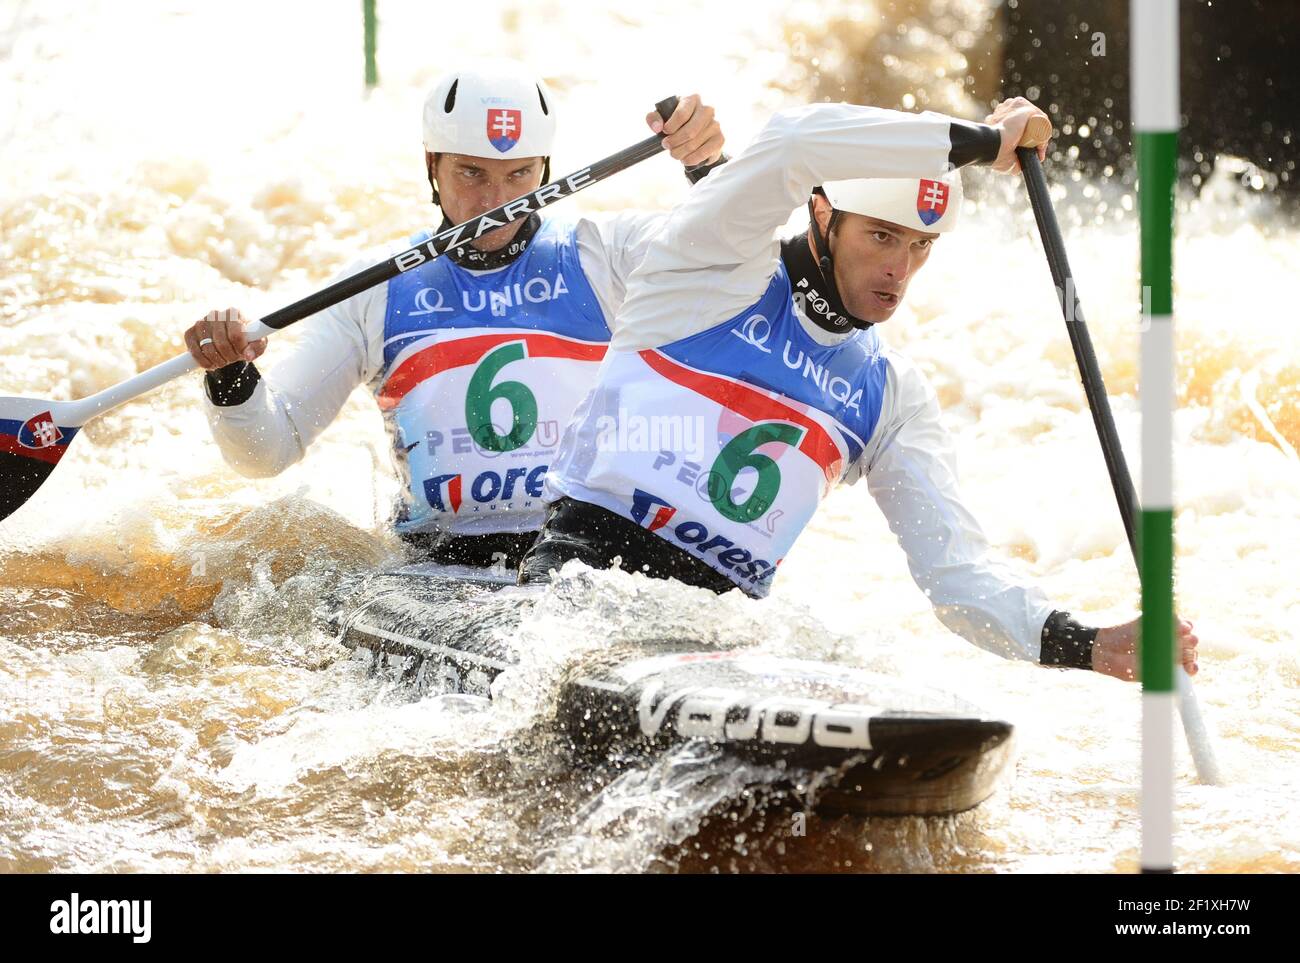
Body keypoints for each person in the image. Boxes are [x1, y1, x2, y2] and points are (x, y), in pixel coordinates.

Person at [520, 96, 1198, 683]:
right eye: (882, 236)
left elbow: (957, 576)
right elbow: (791, 140)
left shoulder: (889, 394)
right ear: (823, 214)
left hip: (712, 636)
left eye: (921, 245)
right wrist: (983, 142)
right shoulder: (711, 265)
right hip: (579, 588)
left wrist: (1093, 645)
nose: (899, 271)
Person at [184, 64, 726, 570]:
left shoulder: (604, 255)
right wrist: (230, 377)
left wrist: (709, 168)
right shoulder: (371, 289)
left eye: (520, 175)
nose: (496, 201)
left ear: (546, 169)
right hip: (441, 563)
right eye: (472, 173)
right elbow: (267, 451)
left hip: (578, 553)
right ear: (432, 165)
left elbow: (734, 266)